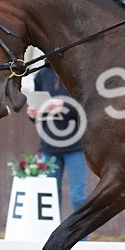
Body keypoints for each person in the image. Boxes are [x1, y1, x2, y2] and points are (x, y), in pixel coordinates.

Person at [26, 67, 88, 213]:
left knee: (78, 198)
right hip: (49, 146)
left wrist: (64, 106)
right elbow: (38, 111)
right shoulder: (41, 75)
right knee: (51, 197)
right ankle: (54, 235)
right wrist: (33, 114)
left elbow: (87, 108)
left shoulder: (76, 71)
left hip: (76, 146)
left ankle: (79, 236)